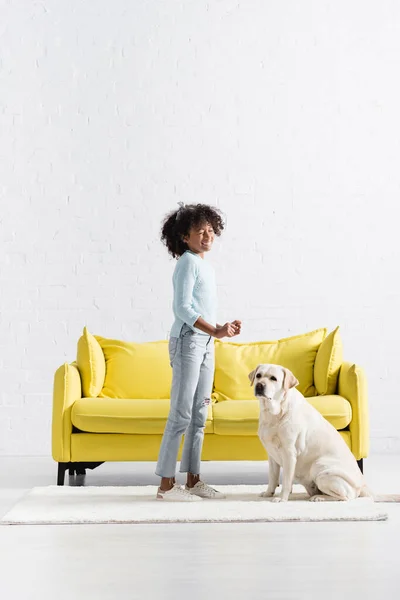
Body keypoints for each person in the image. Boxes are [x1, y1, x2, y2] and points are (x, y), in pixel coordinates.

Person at [155, 202, 241, 501]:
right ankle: (166, 487)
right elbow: (181, 308)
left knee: (199, 414)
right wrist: (214, 330)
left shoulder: (205, 265)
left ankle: (193, 481)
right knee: (181, 413)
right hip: (188, 342)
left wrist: (221, 328)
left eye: (210, 230)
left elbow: (199, 308)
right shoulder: (187, 262)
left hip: (205, 344)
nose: (207, 236)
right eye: (199, 231)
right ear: (184, 237)